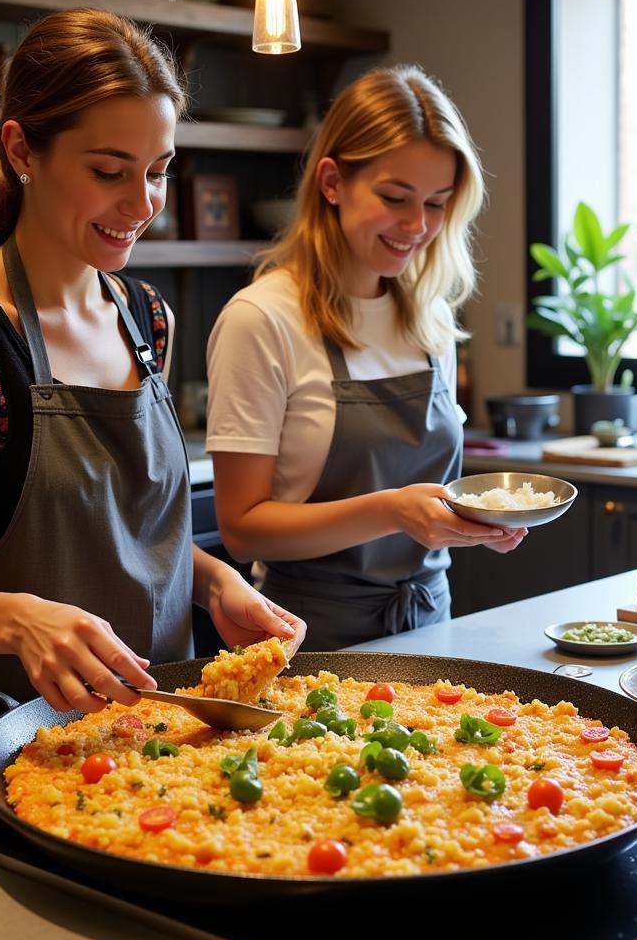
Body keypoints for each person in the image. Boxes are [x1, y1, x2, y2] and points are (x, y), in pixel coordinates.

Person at [0, 9, 304, 761]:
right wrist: (19, 620)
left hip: (154, 755)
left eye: (158, 171)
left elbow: (120, 539)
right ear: (22, 149)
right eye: (108, 171)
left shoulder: (146, 319)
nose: (143, 204)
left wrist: (214, 582)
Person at [204, 65, 527, 652]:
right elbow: (243, 528)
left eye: (437, 203)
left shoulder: (431, 318)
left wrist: (470, 521)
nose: (417, 226)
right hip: (303, 642)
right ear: (331, 181)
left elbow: (431, 499)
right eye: (395, 197)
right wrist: (393, 512)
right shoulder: (262, 320)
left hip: (430, 627)